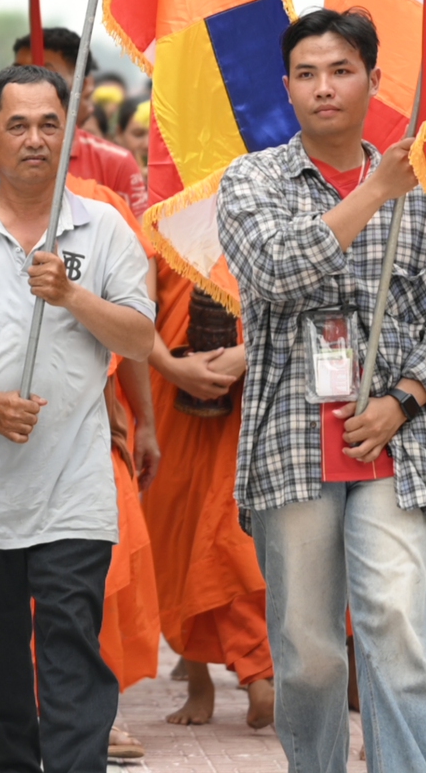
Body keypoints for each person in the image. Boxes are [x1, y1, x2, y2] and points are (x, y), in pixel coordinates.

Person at [218, 8, 426, 773]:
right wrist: (372, 194)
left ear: (371, 79)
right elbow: (273, 272)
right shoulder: (253, 180)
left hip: (396, 445)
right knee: (307, 653)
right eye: (306, 74)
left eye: (341, 71)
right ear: (288, 87)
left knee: (398, 630)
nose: (324, 88)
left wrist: (403, 399)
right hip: (291, 445)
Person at [0, 63, 158, 773]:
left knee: (70, 651)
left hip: (71, 487)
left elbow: (139, 338)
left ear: (70, 133)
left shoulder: (104, 225)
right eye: (16, 125)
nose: (33, 139)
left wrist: (74, 296)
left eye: (48, 124)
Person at [143, 260, 276, 731]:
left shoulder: (276, 206)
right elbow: (137, 308)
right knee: (179, 536)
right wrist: (172, 366)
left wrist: (249, 352)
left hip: (254, 397)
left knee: (235, 537)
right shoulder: (165, 224)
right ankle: (199, 681)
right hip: (173, 393)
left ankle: (260, 672)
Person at [0, 27, 148, 211]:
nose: (31, 81)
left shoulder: (116, 164)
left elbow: (137, 240)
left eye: (47, 71)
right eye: (21, 70)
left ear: (84, 85)